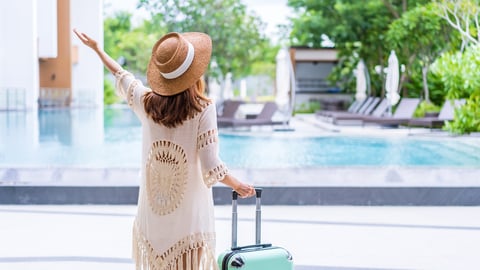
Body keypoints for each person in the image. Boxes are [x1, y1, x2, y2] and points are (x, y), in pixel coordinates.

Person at [73, 29, 255, 269]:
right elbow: (211, 166)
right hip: (189, 217)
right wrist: (238, 185)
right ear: (195, 74)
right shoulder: (203, 109)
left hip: (154, 212)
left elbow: (121, 74)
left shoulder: (147, 103)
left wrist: (97, 49)